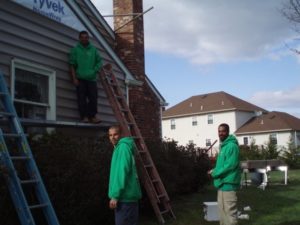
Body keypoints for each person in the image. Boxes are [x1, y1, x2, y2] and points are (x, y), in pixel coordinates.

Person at [108, 125, 142, 225]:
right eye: (110, 135)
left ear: (121, 135)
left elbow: (122, 171)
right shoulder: (121, 147)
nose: (112, 137)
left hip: (125, 198)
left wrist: (115, 195)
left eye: (115, 134)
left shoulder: (122, 147)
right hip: (128, 198)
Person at [208, 123, 241, 225]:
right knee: (222, 214)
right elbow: (222, 165)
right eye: (219, 131)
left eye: (223, 131)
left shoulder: (232, 146)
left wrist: (215, 173)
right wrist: (214, 170)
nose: (220, 133)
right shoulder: (223, 146)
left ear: (228, 132)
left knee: (230, 215)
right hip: (221, 185)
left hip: (229, 185)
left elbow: (230, 165)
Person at [69, 30, 103, 123]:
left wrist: (94, 71)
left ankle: (92, 116)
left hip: (92, 78)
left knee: (93, 98)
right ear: (79, 38)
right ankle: (84, 117)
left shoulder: (93, 50)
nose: (84, 39)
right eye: (82, 37)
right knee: (81, 99)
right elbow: (72, 64)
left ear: (88, 38)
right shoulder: (75, 50)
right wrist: (74, 78)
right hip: (80, 78)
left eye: (86, 37)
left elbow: (100, 61)